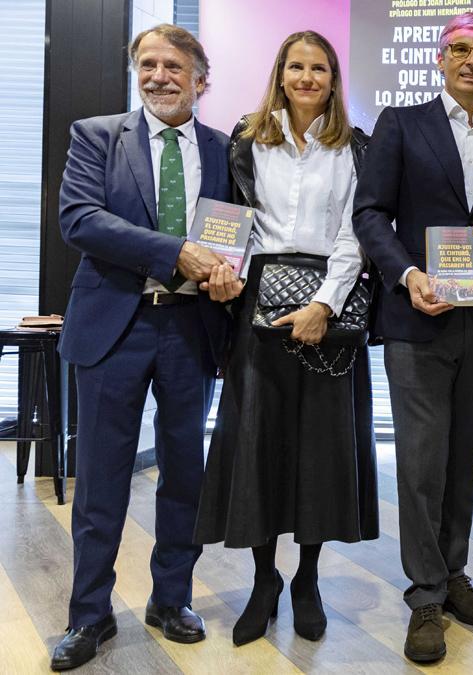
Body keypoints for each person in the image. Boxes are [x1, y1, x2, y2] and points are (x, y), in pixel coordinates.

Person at [352, 11, 473, 664]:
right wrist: (405, 275)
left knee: (465, 459)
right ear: (440, 58)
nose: (470, 61)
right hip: (418, 317)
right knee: (422, 462)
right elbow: (370, 212)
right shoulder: (400, 125)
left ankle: (454, 571)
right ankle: (426, 593)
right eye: (458, 49)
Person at [51, 24, 236, 671]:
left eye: (173, 65)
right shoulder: (97, 136)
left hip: (191, 330)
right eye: (147, 64)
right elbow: (79, 217)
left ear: (199, 78)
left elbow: (232, 233)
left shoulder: (222, 149)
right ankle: (89, 615)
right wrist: (174, 250)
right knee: (101, 478)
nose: (158, 75)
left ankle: (171, 599)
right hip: (113, 329)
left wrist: (226, 269)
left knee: (184, 474)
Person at [192, 30, 378, 646]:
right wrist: (223, 274)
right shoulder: (246, 141)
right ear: (281, 72)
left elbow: (356, 235)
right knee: (260, 446)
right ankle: (264, 579)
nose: (307, 78)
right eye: (296, 67)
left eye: (319, 68)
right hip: (258, 305)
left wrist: (323, 304)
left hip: (331, 301)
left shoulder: (355, 146)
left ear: (333, 78)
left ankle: (308, 581)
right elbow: (230, 222)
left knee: (323, 452)